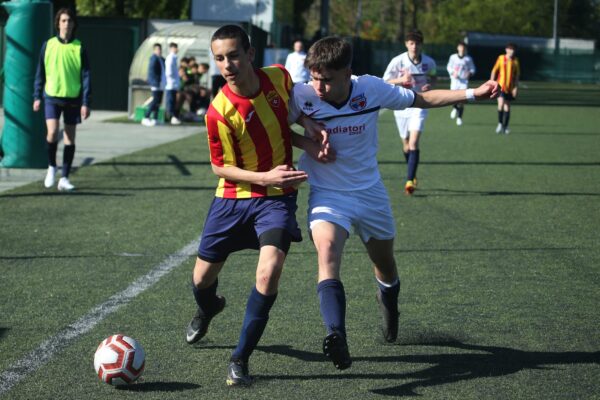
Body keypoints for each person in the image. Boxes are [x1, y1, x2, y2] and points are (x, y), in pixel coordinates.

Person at [288, 36, 499, 371]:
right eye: (314, 78)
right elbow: (272, 129)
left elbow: (423, 98)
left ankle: (388, 301)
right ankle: (336, 335)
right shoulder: (300, 95)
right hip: (328, 195)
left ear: (348, 73)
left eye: (326, 79)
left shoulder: (370, 89)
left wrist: (473, 93)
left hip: (370, 194)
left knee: (385, 266)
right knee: (327, 254)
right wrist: (307, 141)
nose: (319, 87)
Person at [184, 24, 329, 387]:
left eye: (233, 55)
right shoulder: (218, 112)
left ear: (250, 54)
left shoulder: (279, 78)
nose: (227, 64)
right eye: (219, 58)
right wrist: (266, 177)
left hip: (277, 200)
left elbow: (287, 117)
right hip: (233, 199)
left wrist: (308, 132)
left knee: (269, 271)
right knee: (201, 280)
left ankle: (240, 357)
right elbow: (219, 166)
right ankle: (209, 307)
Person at [33, 8, 91, 192]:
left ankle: (64, 178)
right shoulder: (48, 45)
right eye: (63, 20)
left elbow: (87, 76)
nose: (66, 24)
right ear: (58, 23)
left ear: (74, 24)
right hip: (51, 96)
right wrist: (36, 96)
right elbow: (39, 72)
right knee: (52, 133)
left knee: (69, 138)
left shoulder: (79, 47)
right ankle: (52, 166)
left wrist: (86, 102)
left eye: (69, 21)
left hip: (73, 98)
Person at [382, 29, 437, 195]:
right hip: (401, 105)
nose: (414, 46)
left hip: (420, 104)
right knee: (406, 145)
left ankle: (409, 180)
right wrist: (400, 80)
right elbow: (384, 81)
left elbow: (433, 76)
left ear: (421, 45)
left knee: (413, 143)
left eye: (417, 43)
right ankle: (411, 170)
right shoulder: (397, 61)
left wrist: (430, 85)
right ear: (406, 44)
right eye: (411, 43)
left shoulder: (429, 62)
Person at [491, 42, 520, 134]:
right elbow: (494, 70)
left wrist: (515, 88)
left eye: (513, 50)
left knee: (507, 107)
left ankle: (505, 126)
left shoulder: (515, 61)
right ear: (506, 50)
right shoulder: (501, 58)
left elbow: (517, 76)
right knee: (501, 104)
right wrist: (491, 82)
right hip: (500, 86)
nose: (512, 51)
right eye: (510, 49)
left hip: (510, 88)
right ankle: (500, 123)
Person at [446, 41, 476, 126]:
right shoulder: (453, 57)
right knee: (453, 98)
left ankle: (459, 118)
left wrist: (469, 73)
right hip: (455, 81)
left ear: (465, 49)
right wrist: (452, 73)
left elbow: (473, 69)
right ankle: (455, 108)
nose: (462, 49)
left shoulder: (468, 59)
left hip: (463, 82)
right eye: (460, 47)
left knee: (462, 100)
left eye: (463, 48)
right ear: (458, 48)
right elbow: (448, 67)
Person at [141, 43, 165, 126]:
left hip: (162, 83)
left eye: (160, 49)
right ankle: (146, 117)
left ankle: (155, 118)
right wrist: (155, 82)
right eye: (157, 49)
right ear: (154, 50)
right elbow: (152, 72)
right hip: (156, 83)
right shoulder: (153, 58)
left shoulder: (161, 59)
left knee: (158, 102)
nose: (159, 51)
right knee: (155, 100)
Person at [165, 42, 181, 125]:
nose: (177, 49)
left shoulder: (174, 58)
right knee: (171, 101)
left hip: (174, 84)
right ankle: (171, 117)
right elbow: (169, 72)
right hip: (171, 84)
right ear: (171, 48)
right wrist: (173, 79)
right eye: (175, 48)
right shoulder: (170, 58)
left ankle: (173, 117)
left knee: (173, 101)